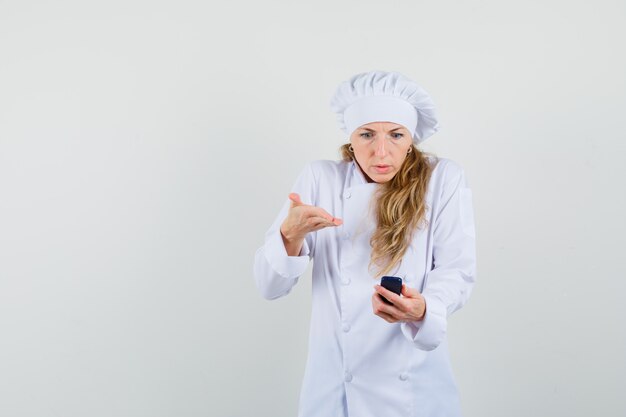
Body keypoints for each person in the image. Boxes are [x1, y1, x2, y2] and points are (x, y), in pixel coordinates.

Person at [253, 70, 477, 417]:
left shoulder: (441, 178)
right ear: (351, 138)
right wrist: (290, 235)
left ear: (412, 138)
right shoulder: (321, 178)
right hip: (335, 391)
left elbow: (456, 269)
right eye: (367, 134)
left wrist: (424, 309)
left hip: (414, 392)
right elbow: (269, 287)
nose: (381, 151)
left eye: (396, 135)